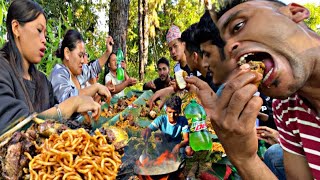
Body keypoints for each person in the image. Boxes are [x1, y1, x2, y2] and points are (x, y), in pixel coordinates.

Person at [187, 0, 320, 179]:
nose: (229, 48)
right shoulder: (286, 107)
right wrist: (244, 157)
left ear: (295, 12)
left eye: (238, 26)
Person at [0, 0, 101, 133]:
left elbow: (56, 122)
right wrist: (71, 104)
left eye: (45, 34)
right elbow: (13, 125)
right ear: (16, 28)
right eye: (39, 30)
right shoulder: (3, 69)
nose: (44, 40)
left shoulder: (42, 82)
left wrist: (77, 111)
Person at [50, 29, 112, 103]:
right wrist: (95, 87)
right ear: (67, 53)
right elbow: (68, 101)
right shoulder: (59, 73)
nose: (83, 61)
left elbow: (93, 68)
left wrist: (108, 52)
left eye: (83, 56)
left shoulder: (79, 73)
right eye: (80, 55)